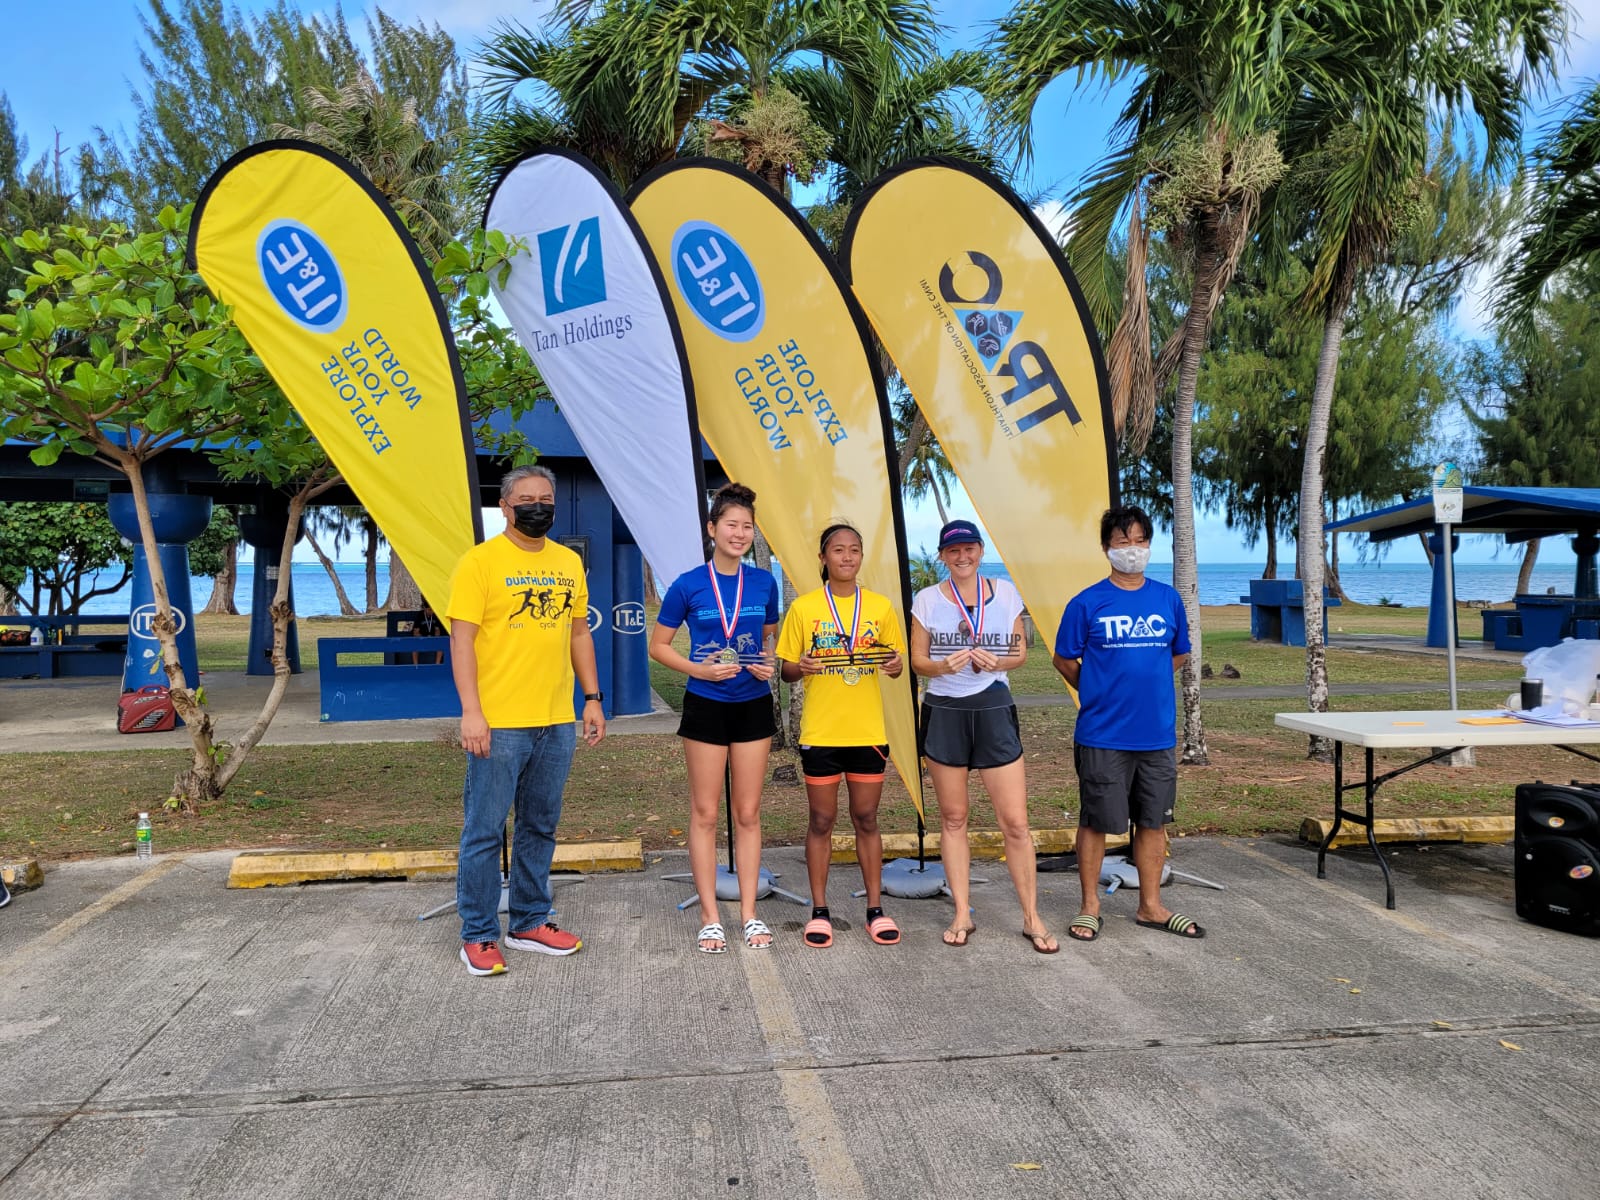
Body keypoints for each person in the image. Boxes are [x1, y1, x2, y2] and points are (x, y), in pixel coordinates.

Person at [447, 465, 606, 977]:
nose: (537, 506)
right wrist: (472, 712)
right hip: (499, 722)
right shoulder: (480, 563)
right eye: (526, 499)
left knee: (540, 825)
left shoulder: (567, 563)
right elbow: (462, 640)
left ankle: (531, 920)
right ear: (506, 506)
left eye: (545, 498)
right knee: (485, 830)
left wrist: (592, 698)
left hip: (556, 720)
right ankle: (478, 933)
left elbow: (579, 633)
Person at [1052, 504, 1203, 943]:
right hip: (1103, 734)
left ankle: (1151, 906)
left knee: (1154, 821)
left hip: (1156, 734)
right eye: (1122, 541)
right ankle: (1089, 907)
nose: (1132, 549)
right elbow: (1063, 658)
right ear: (1106, 549)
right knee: (1097, 820)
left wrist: (1145, 681)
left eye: (1140, 540)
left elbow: (1177, 653)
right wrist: (1097, 687)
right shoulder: (1087, 602)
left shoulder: (1167, 598)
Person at [910, 519, 1058, 954]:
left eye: (969, 548)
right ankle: (961, 911)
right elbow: (918, 660)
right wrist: (942, 667)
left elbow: (1020, 652)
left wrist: (998, 662)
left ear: (979, 551)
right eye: (953, 551)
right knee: (954, 819)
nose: (962, 556)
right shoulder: (927, 599)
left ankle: (1031, 916)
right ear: (942, 556)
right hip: (944, 711)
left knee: (1015, 821)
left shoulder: (1006, 591)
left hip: (993, 708)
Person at [649, 483, 780, 953]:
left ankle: (748, 914)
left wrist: (767, 662)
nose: (740, 533)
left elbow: (767, 643)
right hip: (705, 703)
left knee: (747, 813)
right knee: (705, 813)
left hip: (752, 703)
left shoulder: (764, 582)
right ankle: (709, 917)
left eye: (747, 526)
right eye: (731, 524)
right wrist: (699, 669)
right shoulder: (687, 584)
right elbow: (658, 647)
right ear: (712, 529)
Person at [776, 523, 905, 948]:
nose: (847, 557)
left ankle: (874, 909)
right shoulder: (805, 607)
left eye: (854, 550)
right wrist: (803, 667)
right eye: (838, 550)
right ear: (823, 558)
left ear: (861, 557)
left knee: (866, 818)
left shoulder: (881, 607)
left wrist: (894, 665)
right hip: (822, 731)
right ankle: (819, 910)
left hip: (867, 730)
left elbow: (895, 661)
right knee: (822, 820)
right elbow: (787, 669)